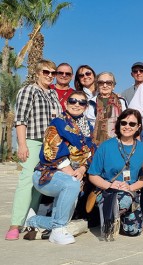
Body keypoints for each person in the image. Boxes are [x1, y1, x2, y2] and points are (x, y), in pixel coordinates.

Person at [24, 91, 96, 245]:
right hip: (47, 175)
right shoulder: (57, 123)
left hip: (72, 177)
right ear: (66, 103)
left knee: (65, 216)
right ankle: (57, 232)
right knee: (72, 184)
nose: (77, 104)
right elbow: (52, 152)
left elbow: (90, 152)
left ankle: (33, 220)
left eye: (81, 102)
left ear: (85, 107)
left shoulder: (87, 127)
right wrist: (72, 174)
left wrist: (83, 169)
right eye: (73, 101)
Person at [5, 60, 63, 241]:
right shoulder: (28, 91)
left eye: (53, 73)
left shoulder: (53, 94)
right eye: (46, 72)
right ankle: (15, 224)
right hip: (32, 141)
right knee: (26, 182)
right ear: (37, 73)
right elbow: (20, 119)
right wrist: (21, 144)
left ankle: (30, 220)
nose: (50, 75)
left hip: (50, 145)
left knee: (40, 184)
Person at [88, 109, 143, 239]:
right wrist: (110, 185)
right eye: (124, 123)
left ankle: (118, 218)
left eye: (132, 124)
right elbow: (93, 175)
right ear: (119, 124)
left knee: (133, 231)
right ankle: (107, 217)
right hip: (108, 191)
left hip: (131, 192)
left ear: (138, 127)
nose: (127, 126)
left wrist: (130, 187)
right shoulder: (106, 146)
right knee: (123, 200)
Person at [86, 72, 127, 146]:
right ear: (97, 85)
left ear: (113, 86)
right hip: (95, 145)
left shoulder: (121, 101)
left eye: (108, 83)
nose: (105, 85)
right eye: (101, 83)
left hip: (118, 143)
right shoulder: (90, 103)